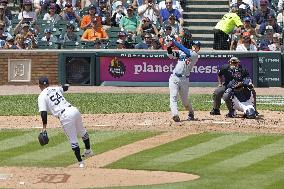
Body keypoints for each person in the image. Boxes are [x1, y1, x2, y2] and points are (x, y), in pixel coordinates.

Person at [37, 76, 94, 168]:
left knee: (73, 139)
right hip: (74, 110)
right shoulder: (55, 88)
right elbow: (65, 87)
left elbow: (43, 113)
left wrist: (44, 128)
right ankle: (88, 150)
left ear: (39, 85)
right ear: (48, 83)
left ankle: (81, 163)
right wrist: (66, 84)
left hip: (66, 116)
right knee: (82, 131)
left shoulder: (41, 96)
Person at [167, 37, 201, 122]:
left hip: (184, 79)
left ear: (198, 49)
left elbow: (184, 49)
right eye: (193, 45)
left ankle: (191, 112)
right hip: (174, 77)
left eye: (196, 46)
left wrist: (174, 42)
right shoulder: (182, 52)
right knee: (173, 96)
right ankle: (175, 115)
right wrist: (168, 47)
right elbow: (171, 56)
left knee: (185, 101)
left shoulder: (195, 55)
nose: (194, 47)